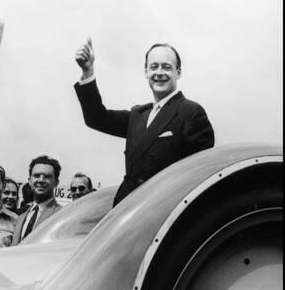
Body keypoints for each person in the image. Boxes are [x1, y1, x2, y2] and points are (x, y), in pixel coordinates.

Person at [74, 39, 215, 207]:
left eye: (167, 67)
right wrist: (87, 71)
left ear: (178, 72)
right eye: (154, 67)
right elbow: (96, 118)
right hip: (127, 209)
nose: (159, 72)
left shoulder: (191, 112)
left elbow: (197, 177)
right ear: (146, 72)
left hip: (161, 213)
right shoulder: (138, 115)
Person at [12, 156, 63, 245]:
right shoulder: (20, 218)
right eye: (36, 175)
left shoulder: (62, 215)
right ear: (29, 181)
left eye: (47, 176)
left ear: (56, 182)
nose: (41, 180)